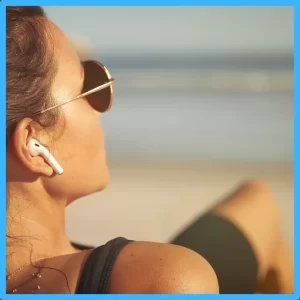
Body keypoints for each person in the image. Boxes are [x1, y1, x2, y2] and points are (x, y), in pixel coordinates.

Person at [6, 6, 293, 294]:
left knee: (257, 200)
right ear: (34, 145)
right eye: (89, 86)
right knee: (260, 203)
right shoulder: (170, 279)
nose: (101, 109)